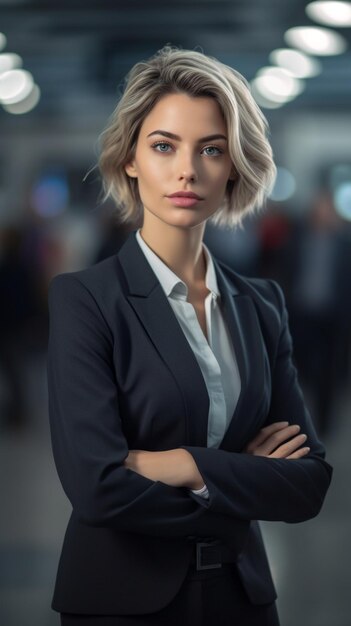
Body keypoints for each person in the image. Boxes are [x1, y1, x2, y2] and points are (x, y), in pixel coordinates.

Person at [47, 45, 333, 626]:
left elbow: (307, 484)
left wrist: (177, 464)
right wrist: (241, 479)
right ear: (130, 159)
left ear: (234, 166)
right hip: (120, 604)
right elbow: (98, 489)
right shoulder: (86, 300)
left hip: (243, 600)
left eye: (212, 149)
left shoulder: (260, 304)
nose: (188, 170)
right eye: (163, 146)